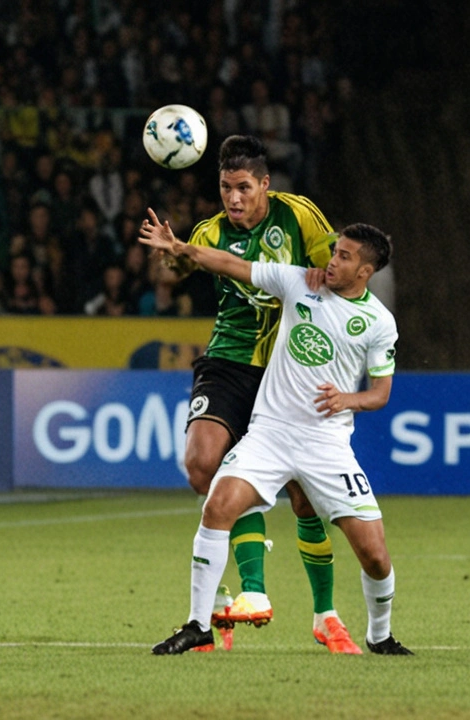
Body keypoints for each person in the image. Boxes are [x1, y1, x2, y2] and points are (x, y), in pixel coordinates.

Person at [142, 218, 410, 656]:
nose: (331, 259)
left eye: (343, 256)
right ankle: (197, 625)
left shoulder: (379, 323)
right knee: (217, 506)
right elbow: (230, 263)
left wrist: (348, 399)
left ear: (365, 272)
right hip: (269, 433)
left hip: (326, 444)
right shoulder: (297, 283)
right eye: (333, 250)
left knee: (375, 556)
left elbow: (380, 393)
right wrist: (181, 247)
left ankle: (379, 636)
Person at [154, 135, 354, 653]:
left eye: (243, 187)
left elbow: (339, 274)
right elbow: (178, 272)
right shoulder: (210, 231)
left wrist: (325, 277)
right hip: (230, 360)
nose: (233, 198)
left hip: (290, 370)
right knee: (202, 466)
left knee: (305, 497)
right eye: (225, 187)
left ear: (265, 185)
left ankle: (326, 615)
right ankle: (233, 598)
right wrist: (173, 255)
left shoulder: (298, 215)